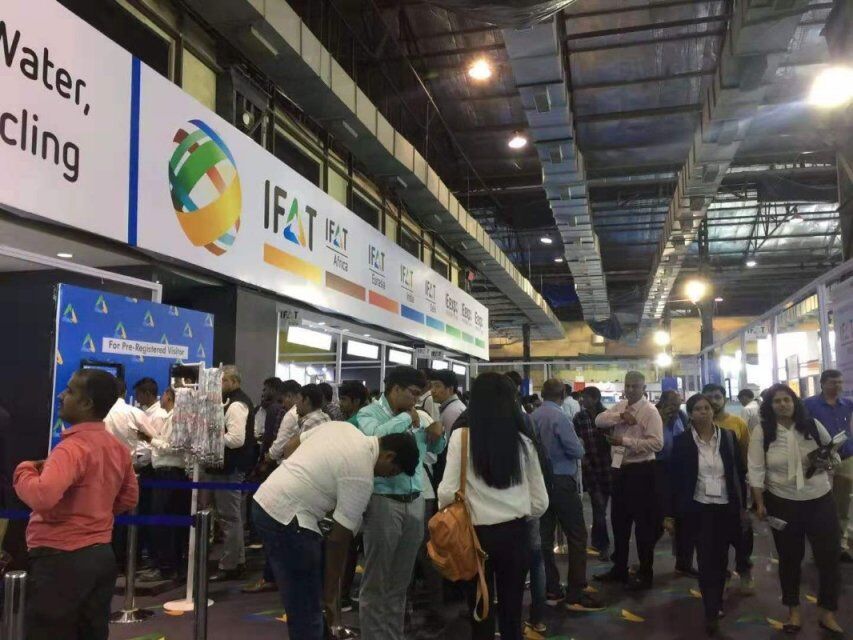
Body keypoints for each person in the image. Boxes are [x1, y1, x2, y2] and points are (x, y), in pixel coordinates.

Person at [253, 421, 420, 640]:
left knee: (299, 599)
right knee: (308, 610)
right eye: (392, 472)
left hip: (264, 502)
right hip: (290, 520)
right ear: (389, 456)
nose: (386, 477)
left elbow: (290, 446)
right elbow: (338, 540)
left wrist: (302, 477)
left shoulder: (342, 428)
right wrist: (331, 598)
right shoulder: (362, 475)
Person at [14, 369, 138, 639]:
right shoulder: (117, 448)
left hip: (59, 559)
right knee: (91, 631)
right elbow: (129, 498)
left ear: (86, 403)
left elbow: (42, 497)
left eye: (70, 391)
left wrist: (24, 471)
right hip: (100, 555)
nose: (62, 395)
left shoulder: (71, 448)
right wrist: (94, 511)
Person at [437, 372, 549, 640]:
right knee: (512, 610)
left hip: (475, 537)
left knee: (480, 610)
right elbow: (540, 501)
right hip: (516, 534)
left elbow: (447, 492)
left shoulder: (462, 437)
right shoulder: (523, 440)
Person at [356, 366, 445, 640]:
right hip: (383, 501)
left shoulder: (420, 414)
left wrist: (438, 433)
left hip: (415, 501)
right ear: (395, 389)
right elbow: (375, 440)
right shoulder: (369, 414)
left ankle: (393, 635)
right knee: (376, 581)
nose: (417, 400)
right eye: (413, 394)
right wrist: (407, 418)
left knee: (400, 582)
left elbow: (435, 449)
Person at [749, 384, 843, 635]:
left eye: (787, 400)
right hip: (782, 501)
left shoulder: (812, 425)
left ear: (795, 402)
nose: (783, 404)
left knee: (829, 557)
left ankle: (827, 612)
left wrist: (827, 461)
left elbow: (834, 454)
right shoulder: (763, 431)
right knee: (790, 559)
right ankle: (793, 611)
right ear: (770, 406)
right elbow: (756, 468)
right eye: (777, 401)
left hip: (819, 498)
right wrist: (759, 503)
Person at [670, 394, 747, 636]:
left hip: (725, 507)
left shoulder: (728, 437)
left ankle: (717, 598)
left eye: (706, 408)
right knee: (705, 560)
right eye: (697, 409)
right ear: (690, 414)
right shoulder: (682, 442)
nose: (703, 412)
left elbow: (739, 472)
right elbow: (675, 479)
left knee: (721, 559)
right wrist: (671, 513)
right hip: (698, 508)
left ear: (713, 411)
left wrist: (744, 506)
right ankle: (711, 610)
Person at [533, 379, 602, 612]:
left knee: (544, 537)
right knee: (576, 535)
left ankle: (551, 589)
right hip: (562, 481)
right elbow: (576, 450)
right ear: (563, 394)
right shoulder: (560, 417)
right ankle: (576, 592)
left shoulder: (533, 416)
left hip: (540, 482)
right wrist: (580, 443)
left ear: (542, 394)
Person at [595, 371, 663, 590]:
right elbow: (599, 420)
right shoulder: (621, 406)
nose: (631, 390)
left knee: (643, 526)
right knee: (619, 523)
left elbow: (657, 444)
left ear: (644, 388)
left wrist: (625, 441)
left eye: (635, 386)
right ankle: (619, 569)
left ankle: (645, 572)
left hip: (642, 471)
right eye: (628, 386)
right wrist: (621, 416)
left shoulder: (650, 411)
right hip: (620, 470)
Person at [207, 365, 256, 582]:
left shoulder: (236, 404)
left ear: (234, 381)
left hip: (230, 467)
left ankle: (231, 564)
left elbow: (236, 439)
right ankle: (236, 561)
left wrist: (211, 439)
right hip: (228, 467)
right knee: (230, 516)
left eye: (223, 381)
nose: (220, 385)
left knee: (230, 517)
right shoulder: (233, 401)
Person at [703, 383, 753, 592]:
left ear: (724, 398)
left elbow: (747, 456)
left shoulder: (737, 423)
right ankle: (721, 574)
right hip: (707, 488)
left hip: (735, 487)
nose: (713, 401)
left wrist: (749, 488)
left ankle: (745, 571)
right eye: (709, 397)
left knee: (741, 532)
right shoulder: (697, 424)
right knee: (714, 536)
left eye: (717, 396)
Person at [138, 388, 189, 582]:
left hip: (170, 473)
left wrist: (151, 440)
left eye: (164, 395)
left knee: (163, 522)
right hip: (168, 473)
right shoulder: (172, 417)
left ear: (169, 397)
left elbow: (174, 447)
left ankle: (166, 566)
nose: (161, 398)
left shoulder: (177, 418)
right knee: (170, 522)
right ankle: (171, 565)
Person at [804, 369, 853, 562]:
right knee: (820, 506)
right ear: (822, 383)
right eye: (833, 382)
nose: (837, 386)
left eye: (840, 382)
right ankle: (821, 547)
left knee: (843, 505)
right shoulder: (809, 405)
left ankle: (840, 546)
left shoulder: (847, 404)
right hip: (821, 461)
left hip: (846, 459)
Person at [655, 390, 694, 575]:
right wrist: (662, 420)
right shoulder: (653, 416)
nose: (675, 409)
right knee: (656, 518)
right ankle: (644, 564)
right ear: (662, 402)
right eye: (671, 405)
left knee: (683, 519)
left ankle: (683, 562)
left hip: (678, 469)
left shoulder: (681, 416)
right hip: (657, 470)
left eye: (678, 405)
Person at [573, 386, 612, 561]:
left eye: (586, 397)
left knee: (602, 508)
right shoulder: (579, 418)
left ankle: (598, 542)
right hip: (590, 468)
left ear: (595, 399)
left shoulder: (608, 416)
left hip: (608, 468)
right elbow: (576, 441)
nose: (582, 400)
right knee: (598, 507)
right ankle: (602, 545)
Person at [267, 381, 303, 463]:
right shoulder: (313, 412)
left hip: (289, 461)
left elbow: (278, 447)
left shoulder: (291, 414)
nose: (283, 405)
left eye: (283, 400)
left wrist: (268, 457)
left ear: (289, 396)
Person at [429, 369, 466, 436]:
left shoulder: (451, 411)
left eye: (437, 386)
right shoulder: (455, 406)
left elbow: (451, 440)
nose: (432, 390)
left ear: (450, 389)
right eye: (431, 386)